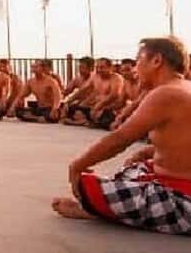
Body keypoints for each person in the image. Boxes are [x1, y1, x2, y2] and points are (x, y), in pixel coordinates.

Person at [52, 37, 191, 235]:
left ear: (156, 61)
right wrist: (150, 150)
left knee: (88, 186)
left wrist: (77, 166)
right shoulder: (184, 87)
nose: (135, 68)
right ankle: (111, 209)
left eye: (138, 61)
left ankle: (99, 211)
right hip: (172, 180)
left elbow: (120, 139)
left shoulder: (166, 93)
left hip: (184, 200)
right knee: (133, 169)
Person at [62, 58, 125, 129]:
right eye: (97, 67)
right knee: (72, 108)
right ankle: (87, 120)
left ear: (110, 67)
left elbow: (114, 95)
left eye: (101, 67)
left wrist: (99, 106)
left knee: (106, 120)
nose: (99, 70)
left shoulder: (116, 78)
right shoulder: (95, 77)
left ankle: (88, 121)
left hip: (109, 108)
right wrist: (68, 101)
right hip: (95, 107)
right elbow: (83, 90)